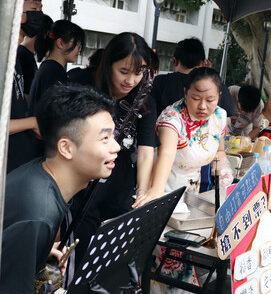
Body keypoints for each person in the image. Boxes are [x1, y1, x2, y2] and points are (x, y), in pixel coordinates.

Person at [0, 83, 120, 294]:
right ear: (66, 147)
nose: (116, 146)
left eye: (113, 136)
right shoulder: (38, 213)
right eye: (105, 138)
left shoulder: (41, 175)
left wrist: (41, 250)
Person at [67, 32, 159, 272]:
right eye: (124, 71)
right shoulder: (83, 85)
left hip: (119, 187)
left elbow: (147, 150)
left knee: (119, 263)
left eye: (139, 73)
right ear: (108, 64)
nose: (131, 80)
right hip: (82, 191)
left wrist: (142, 191)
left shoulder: (145, 99)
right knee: (83, 258)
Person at [135, 67, 232, 206]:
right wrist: (156, 190)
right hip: (165, 186)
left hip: (192, 191)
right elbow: (167, 154)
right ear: (185, 92)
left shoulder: (219, 116)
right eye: (196, 98)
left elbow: (219, 151)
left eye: (210, 100)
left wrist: (223, 167)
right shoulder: (172, 118)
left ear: (219, 96)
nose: (203, 106)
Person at [7, 0, 47, 174]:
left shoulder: (14, 57)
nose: (38, 14)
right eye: (34, 8)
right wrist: (32, 122)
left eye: (40, 8)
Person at [151, 37, 235, 117]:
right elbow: (230, 110)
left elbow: (149, 110)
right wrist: (212, 77)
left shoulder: (160, 81)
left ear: (175, 61)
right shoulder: (214, 85)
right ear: (203, 63)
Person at [27, 19, 85, 116]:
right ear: (60, 43)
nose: (79, 50)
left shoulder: (48, 67)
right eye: (77, 44)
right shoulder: (53, 71)